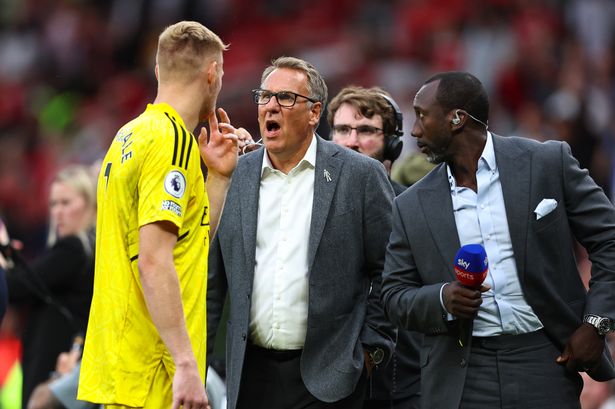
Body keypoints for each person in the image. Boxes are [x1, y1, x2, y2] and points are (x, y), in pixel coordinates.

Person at [381, 71, 615, 409]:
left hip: (546, 358)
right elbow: (393, 295)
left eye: (421, 116)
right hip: (463, 372)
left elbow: (608, 239)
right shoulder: (410, 205)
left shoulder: (547, 162)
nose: (414, 130)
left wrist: (596, 325)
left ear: (457, 119)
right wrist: (443, 298)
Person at [207, 56, 396, 409]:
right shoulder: (234, 176)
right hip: (251, 376)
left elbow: (390, 271)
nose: (271, 107)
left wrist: (372, 350)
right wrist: (195, 362)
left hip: (332, 378)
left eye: (286, 98)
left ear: (314, 113)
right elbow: (212, 282)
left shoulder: (361, 176)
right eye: (264, 97)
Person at [78, 21, 239, 409]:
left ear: (157, 71)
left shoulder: (129, 135)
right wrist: (185, 363)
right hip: (157, 371)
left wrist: (217, 178)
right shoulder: (173, 143)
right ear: (212, 73)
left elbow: (185, 241)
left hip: (124, 366)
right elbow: (153, 259)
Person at [327, 86, 421, 409]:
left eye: (366, 130)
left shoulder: (414, 209)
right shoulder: (309, 207)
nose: (351, 141)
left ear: (392, 144)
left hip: (402, 382)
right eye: (342, 130)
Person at [3, 165, 96, 408]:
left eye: (66, 203)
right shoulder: (83, 252)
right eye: (54, 204)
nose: (58, 212)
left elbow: (17, 286)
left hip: (54, 369)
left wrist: (3, 257)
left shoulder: (75, 250)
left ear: (90, 205)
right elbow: (34, 282)